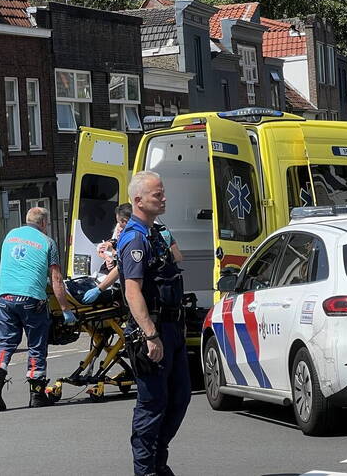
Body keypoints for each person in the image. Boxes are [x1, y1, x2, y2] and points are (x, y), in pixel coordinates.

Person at [118, 171, 189, 476]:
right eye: (157, 195)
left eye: (162, 193)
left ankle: (158, 463)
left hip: (172, 330)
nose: (163, 199)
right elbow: (132, 290)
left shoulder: (155, 233)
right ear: (138, 200)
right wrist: (150, 334)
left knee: (179, 398)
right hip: (154, 333)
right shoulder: (134, 238)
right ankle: (146, 470)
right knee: (152, 404)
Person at [0, 207, 77, 411]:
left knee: (6, 342)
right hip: (30, 299)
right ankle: (37, 394)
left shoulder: (10, 236)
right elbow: (56, 279)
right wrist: (65, 309)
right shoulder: (48, 242)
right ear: (43, 223)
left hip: (4, 296)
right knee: (36, 345)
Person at [83, 218, 181, 303]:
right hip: (168, 288)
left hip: (146, 291)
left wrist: (99, 289)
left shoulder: (135, 237)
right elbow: (178, 257)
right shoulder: (163, 231)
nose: (119, 232)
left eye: (121, 229)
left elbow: (120, 268)